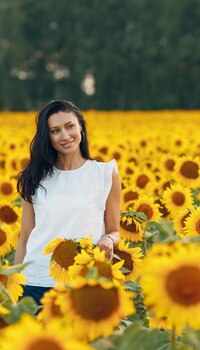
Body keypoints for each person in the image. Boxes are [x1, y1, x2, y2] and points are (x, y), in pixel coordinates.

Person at [14, 100, 121, 305]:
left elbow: (114, 231)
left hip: (84, 281)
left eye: (70, 126)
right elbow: (26, 235)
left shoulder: (104, 173)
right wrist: (13, 281)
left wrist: (108, 239)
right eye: (55, 131)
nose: (65, 136)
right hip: (36, 281)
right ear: (48, 137)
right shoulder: (35, 177)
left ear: (81, 127)